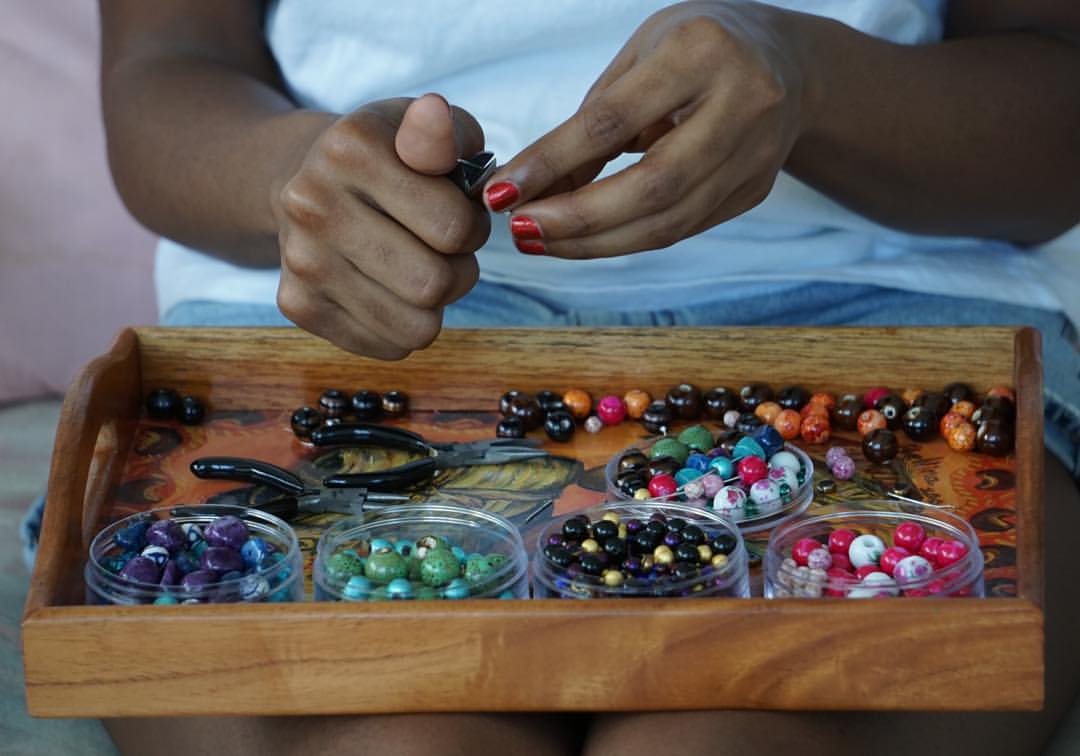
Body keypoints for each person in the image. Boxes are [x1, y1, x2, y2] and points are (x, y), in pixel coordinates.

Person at [91, 1, 1079, 754]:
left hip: (878, 315)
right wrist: (294, 174)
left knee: (721, 742)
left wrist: (811, 81)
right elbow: (167, 74)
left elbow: (1051, 114)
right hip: (344, 310)